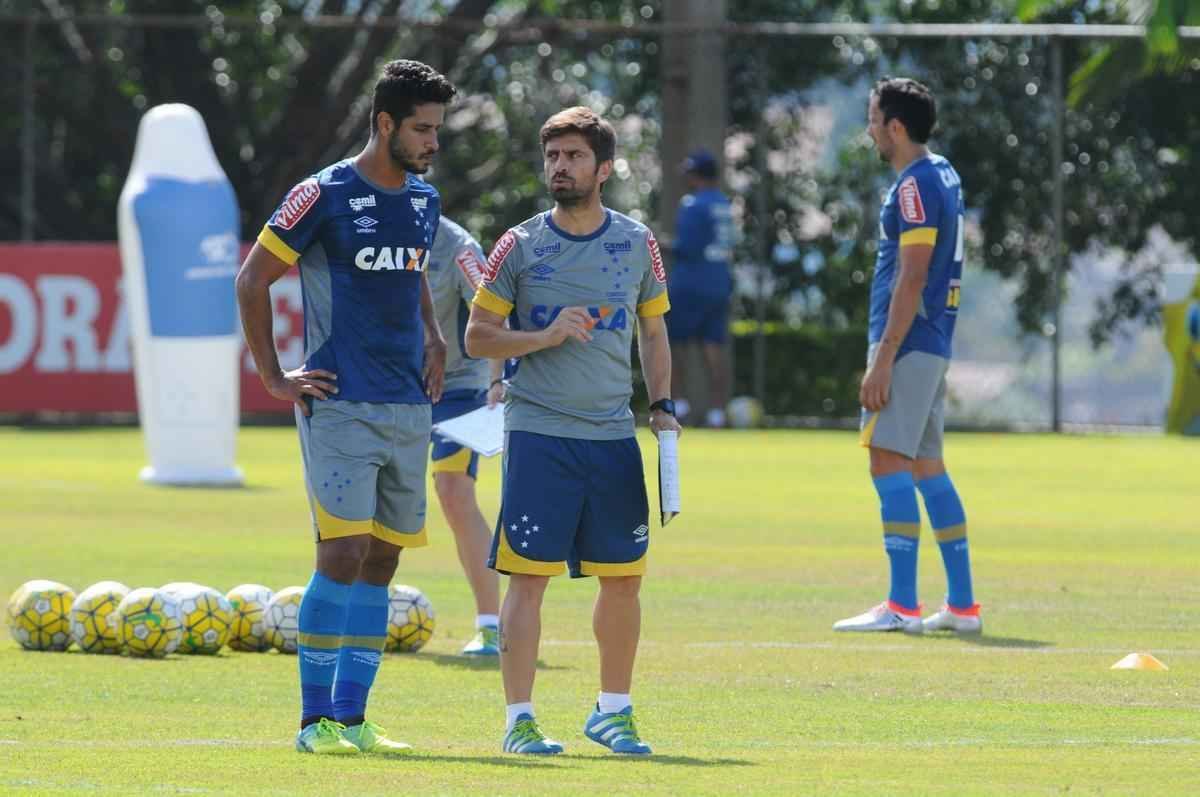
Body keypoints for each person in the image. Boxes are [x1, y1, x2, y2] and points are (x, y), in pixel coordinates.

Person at [236, 59, 456, 755]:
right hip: (340, 401)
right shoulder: (321, 194)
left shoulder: (424, 199)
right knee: (343, 551)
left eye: (437, 130)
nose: (433, 142)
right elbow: (253, 279)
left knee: (384, 560)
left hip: (408, 405)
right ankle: (313, 722)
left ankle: (354, 720)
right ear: (385, 123)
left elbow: (414, 270)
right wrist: (275, 376)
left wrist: (435, 333)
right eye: (422, 129)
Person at [464, 106, 680, 756]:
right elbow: (477, 336)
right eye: (553, 155)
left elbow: (653, 328)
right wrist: (545, 335)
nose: (560, 166)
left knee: (624, 577)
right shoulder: (519, 244)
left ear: (604, 167)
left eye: (574, 156)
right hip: (539, 434)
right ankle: (519, 720)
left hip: (612, 437)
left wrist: (663, 403)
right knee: (528, 578)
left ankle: (613, 710)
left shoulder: (638, 242)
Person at [834, 78, 979, 635]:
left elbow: (913, 274)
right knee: (926, 467)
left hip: (909, 341)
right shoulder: (945, 172)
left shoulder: (915, 186)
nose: (869, 129)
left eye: (873, 119)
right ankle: (963, 608)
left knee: (887, 462)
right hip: (934, 341)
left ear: (895, 127)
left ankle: (901, 606)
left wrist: (884, 356)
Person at [425, 215, 505, 655]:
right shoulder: (367, 226)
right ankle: (364, 610)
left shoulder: (457, 246)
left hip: (459, 385)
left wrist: (501, 379)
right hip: (392, 384)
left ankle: (492, 626)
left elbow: (493, 309)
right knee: (377, 496)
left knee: (454, 493)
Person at [665, 149, 735, 427]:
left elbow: (688, 248)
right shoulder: (724, 204)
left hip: (690, 285)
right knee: (713, 348)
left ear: (697, 175)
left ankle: (679, 406)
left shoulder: (693, 204)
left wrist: (662, 243)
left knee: (675, 345)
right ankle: (717, 412)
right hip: (718, 284)